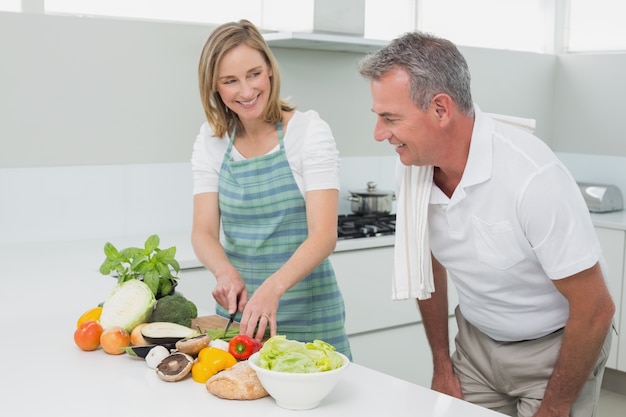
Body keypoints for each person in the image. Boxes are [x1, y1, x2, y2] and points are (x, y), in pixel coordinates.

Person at [358, 31, 614, 417]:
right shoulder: (411, 170)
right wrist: (443, 363)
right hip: (476, 347)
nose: (379, 133)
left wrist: (556, 405)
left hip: (555, 350)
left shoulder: (531, 178)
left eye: (390, 118)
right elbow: (427, 266)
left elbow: (596, 309)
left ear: (441, 110)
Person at [190, 19, 351, 358]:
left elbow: (323, 235)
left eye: (254, 74)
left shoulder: (308, 132)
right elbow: (203, 232)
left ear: (270, 72)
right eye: (230, 81)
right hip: (240, 322)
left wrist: (271, 289)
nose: (246, 91)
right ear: (214, 87)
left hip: (310, 318)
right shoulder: (211, 140)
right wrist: (224, 272)